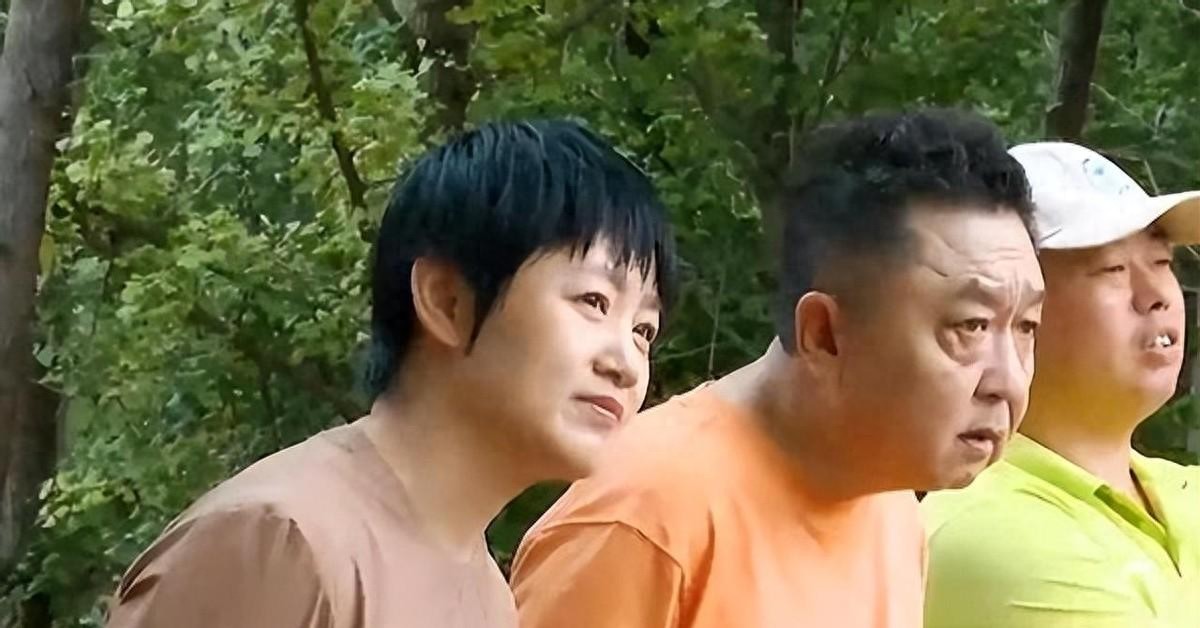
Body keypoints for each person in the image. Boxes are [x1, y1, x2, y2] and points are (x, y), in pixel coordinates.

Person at [105, 119, 679, 628]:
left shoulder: (488, 597)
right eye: (594, 301)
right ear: (447, 301)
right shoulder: (281, 542)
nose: (626, 364)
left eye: (643, 330)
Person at [510, 109, 1045, 627]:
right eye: (970, 326)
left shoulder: (892, 505)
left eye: (1026, 327)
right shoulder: (642, 522)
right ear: (824, 335)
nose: (1008, 381)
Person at [923, 141, 1200, 627]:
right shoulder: (989, 534)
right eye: (1112, 269)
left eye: (1161, 261)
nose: (1156, 295)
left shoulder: (1183, 488)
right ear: (1015, 312)